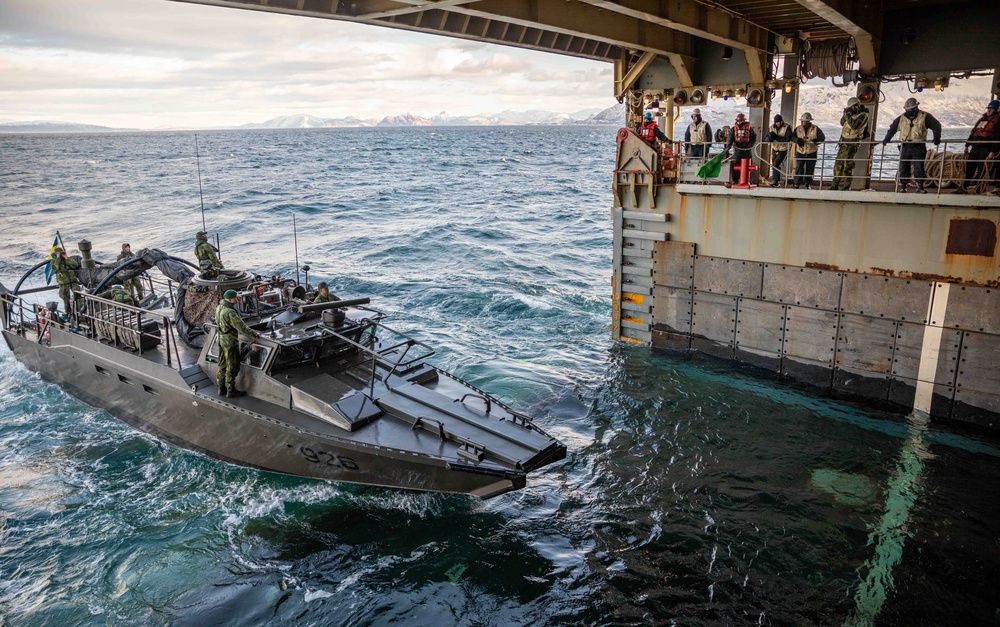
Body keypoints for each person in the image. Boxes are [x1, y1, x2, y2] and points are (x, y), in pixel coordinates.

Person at [881, 97, 942, 193]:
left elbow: (936, 126)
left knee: (919, 166)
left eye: (911, 109)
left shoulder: (925, 117)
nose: (909, 111)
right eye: (907, 110)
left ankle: (920, 186)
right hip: (904, 146)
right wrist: (887, 139)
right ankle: (904, 186)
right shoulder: (901, 118)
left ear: (916, 108)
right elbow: (892, 128)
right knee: (903, 167)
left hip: (918, 145)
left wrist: (937, 137)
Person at [213, 289, 260, 398]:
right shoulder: (230, 312)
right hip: (229, 342)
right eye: (235, 297)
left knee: (222, 364)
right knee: (232, 365)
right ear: (230, 299)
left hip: (220, 339)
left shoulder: (219, 308)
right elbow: (242, 328)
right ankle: (231, 390)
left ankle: (221, 388)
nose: (237, 299)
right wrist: (255, 335)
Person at [958, 99, 1000, 193]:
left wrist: (993, 151)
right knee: (969, 167)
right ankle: (963, 187)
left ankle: (979, 189)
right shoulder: (982, 120)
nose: (989, 111)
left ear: (996, 110)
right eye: (988, 108)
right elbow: (974, 132)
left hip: (986, 148)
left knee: (983, 169)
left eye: (991, 109)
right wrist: (967, 145)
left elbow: (998, 137)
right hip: (975, 147)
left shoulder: (997, 122)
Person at [832, 97, 871, 190]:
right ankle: (835, 184)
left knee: (848, 164)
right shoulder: (850, 115)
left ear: (857, 106)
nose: (851, 109)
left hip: (853, 142)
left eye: (852, 107)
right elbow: (842, 123)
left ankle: (847, 185)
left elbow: (854, 125)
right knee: (839, 163)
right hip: (844, 141)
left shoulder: (863, 115)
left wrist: (848, 115)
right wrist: (845, 114)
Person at [793, 112, 826, 189]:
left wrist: (816, 141)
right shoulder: (798, 129)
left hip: (812, 151)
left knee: (810, 168)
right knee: (799, 167)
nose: (802, 122)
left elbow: (822, 138)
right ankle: (796, 182)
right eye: (801, 121)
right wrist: (797, 140)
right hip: (801, 151)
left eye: (803, 121)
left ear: (808, 121)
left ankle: (807, 183)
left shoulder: (816, 129)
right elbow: (792, 137)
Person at [727, 112, 756, 184]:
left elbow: (753, 137)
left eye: (740, 121)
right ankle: (736, 180)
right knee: (736, 164)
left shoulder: (749, 129)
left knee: (748, 165)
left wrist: (750, 145)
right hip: (738, 149)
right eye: (738, 121)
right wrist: (728, 147)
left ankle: (749, 180)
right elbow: (730, 138)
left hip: (747, 149)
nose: (739, 122)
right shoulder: (733, 129)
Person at [51, 247, 81, 316]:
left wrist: (66, 257)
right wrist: (58, 258)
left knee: (78, 296)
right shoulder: (54, 261)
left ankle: (80, 311)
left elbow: (75, 265)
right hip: (63, 283)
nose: (61, 253)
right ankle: (68, 312)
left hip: (72, 281)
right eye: (59, 252)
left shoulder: (68, 259)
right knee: (65, 298)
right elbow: (56, 267)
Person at [765, 114, 792, 187]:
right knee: (774, 164)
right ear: (775, 122)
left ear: (782, 121)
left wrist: (776, 137)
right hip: (775, 148)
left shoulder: (787, 127)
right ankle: (775, 180)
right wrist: (770, 138)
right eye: (777, 122)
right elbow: (766, 138)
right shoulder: (771, 128)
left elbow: (787, 139)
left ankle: (775, 181)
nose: (778, 123)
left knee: (776, 164)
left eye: (779, 121)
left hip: (783, 149)